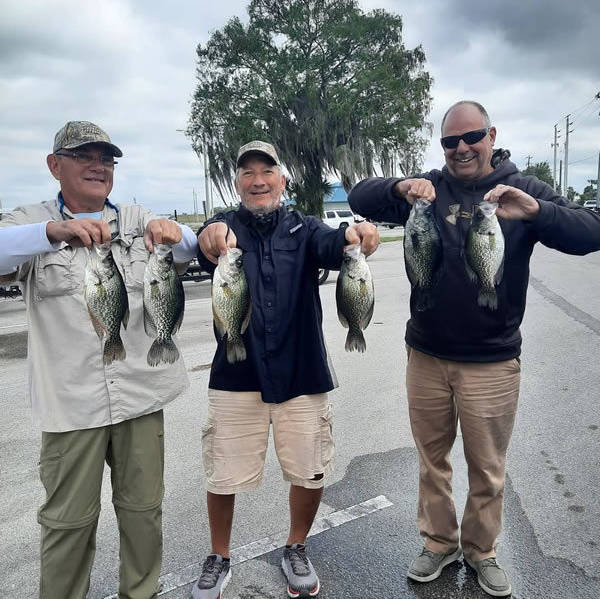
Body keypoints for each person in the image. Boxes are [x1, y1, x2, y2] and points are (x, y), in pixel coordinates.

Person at [348, 101, 600, 597]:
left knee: (487, 467)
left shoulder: (523, 188)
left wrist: (539, 213)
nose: (461, 148)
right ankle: (438, 543)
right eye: (450, 141)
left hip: (492, 358)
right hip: (426, 353)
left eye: (472, 136)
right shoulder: (428, 189)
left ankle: (481, 551)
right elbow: (361, 196)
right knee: (432, 459)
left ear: (491, 135)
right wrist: (400, 187)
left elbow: (591, 232)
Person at [0, 121, 199, 599]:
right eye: (84, 156)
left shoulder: (134, 217)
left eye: (106, 159)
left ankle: (142, 593)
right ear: (55, 166)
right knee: (67, 524)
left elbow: (192, 247)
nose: (98, 166)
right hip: (71, 407)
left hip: (140, 398)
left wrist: (175, 232)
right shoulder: (29, 220)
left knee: (144, 514)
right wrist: (53, 231)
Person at [190, 140, 379, 599]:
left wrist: (360, 235)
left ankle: (296, 546)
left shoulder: (305, 227)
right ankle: (219, 555)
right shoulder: (223, 230)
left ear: (283, 180)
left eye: (267, 171)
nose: (258, 180)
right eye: (247, 173)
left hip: (302, 372)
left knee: (309, 470)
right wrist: (207, 238)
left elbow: (336, 245)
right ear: (236, 183)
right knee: (223, 473)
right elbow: (203, 244)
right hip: (237, 374)